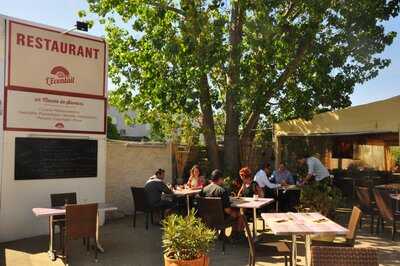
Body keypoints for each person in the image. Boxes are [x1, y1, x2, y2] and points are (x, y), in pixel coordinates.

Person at [199, 169, 244, 240]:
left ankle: (223, 235)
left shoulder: (203, 190)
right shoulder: (222, 191)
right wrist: (235, 213)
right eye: (222, 179)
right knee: (240, 214)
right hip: (221, 220)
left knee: (224, 213)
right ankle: (236, 236)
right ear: (220, 179)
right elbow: (227, 210)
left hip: (208, 219)